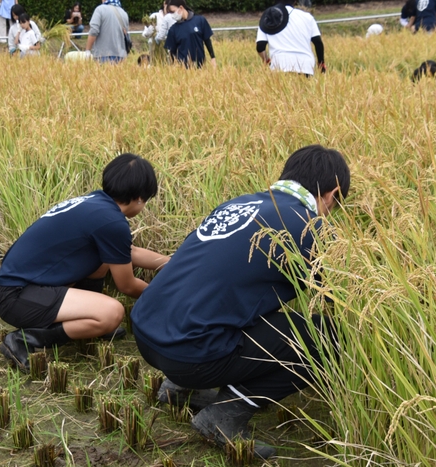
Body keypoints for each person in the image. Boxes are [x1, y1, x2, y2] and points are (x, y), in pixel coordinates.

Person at [130, 145, 350, 459]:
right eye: (335, 206)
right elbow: (340, 297)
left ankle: (180, 388)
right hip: (190, 353)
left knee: (250, 299)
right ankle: (224, 416)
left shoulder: (240, 204)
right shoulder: (309, 226)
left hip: (147, 333)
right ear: (332, 193)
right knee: (328, 337)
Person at [0, 153, 171, 372]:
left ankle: (90, 320)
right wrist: (166, 298)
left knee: (107, 259)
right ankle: (25, 340)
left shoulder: (95, 203)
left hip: (18, 288)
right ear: (140, 198)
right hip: (17, 298)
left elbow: (128, 252)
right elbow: (127, 285)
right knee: (112, 313)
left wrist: (172, 263)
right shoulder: (112, 222)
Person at [256, 1, 326, 76]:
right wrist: (321, 64)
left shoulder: (268, 18)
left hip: (279, 67)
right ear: (295, 1)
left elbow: (260, 46)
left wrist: (267, 61)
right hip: (306, 67)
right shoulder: (307, 17)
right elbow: (318, 42)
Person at [164, 0, 215, 69]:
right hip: (182, 69)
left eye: (173, 12)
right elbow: (172, 51)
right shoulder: (173, 29)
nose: (172, 15)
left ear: (181, 8)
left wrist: (213, 58)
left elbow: (207, 40)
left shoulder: (200, 21)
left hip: (200, 66)